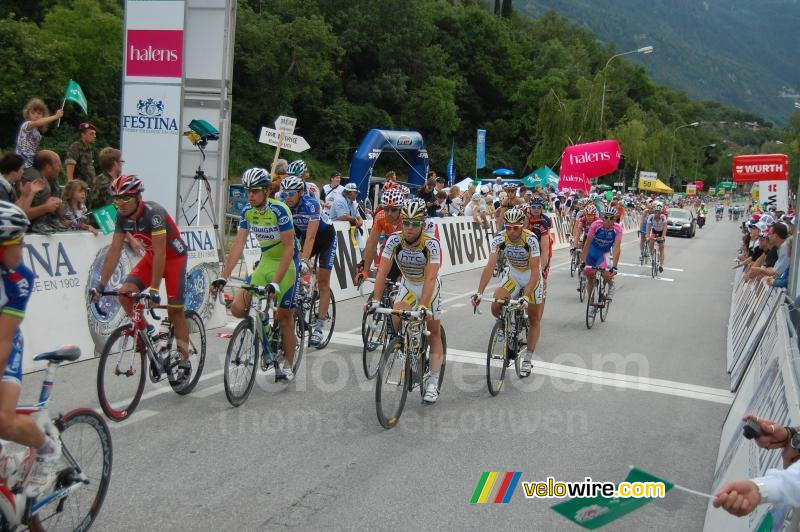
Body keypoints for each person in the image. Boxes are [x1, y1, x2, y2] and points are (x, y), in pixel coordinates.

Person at [91, 175, 192, 380]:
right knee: (124, 294)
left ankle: (184, 360)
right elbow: (114, 251)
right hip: (151, 258)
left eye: (125, 199)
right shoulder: (121, 216)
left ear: (138, 197)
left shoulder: (154, 213)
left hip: (173, 259)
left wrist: (154, 290)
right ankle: (151, 336)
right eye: (116, 199)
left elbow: (161, 252)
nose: (120, 204)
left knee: (175, 311)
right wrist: (100, 285)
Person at [0, 201, 62, 496]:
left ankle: (47, 449)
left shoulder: (19, 278)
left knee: (4, 420)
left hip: (4, 342)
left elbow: (4, 340)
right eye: (18, 241)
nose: (23, 246)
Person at [213, 168, 299, 380]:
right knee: (238, 307)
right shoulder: (247, 212)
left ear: (267, 191)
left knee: (285, 318)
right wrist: (223, 276)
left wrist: (276, 283)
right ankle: (265, 327)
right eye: (247, 191)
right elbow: (238, 245)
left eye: (255, 191)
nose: (250, 195)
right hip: (267, 262)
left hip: (286, 264)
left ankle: (287, 365)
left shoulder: (280, 210)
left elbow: (289, 249)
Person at [367, 198, 444, 403]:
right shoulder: (394, 239)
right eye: (406, 222)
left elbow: (430, 278)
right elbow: (382, 270)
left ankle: (433, 382)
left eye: (415, 223)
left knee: (433, 331)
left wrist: (422, 306)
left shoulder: (431, 244)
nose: (410, 228)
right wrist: (375, 301)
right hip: (409, 284)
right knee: (396, 317)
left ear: (422, 224)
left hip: (429, 286)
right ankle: (404, 348)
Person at [472, 208, 542, 377]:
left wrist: (526, 296)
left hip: (531, 276)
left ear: (522, 225)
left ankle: (528, 359)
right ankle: (505, 329)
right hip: (513, 275)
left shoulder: (531, 239)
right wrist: (479, 292)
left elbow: (534, 272)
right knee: (497, 305)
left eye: (515, 228)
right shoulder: (499, 239)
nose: (511, 231)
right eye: (508, 227)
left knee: (533, 318)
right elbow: (490, 266)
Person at [279, 176, 335, 347]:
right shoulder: (283, 204)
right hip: (304, 237)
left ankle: (319, 327)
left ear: (300, 193)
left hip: (325, 238)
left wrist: (304, 260)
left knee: (323, 281)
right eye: (284, 193)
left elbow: (311, 237)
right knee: (291, 269)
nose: (287, 197)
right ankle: (301, 294)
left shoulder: (311, 204)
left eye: (291, 193)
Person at [356, 187, 404, 285]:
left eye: (394, 210)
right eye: (386, 209)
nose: (389, 213)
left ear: (401, 208)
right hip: (391, 244)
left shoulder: (407, 218)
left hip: (409, 248)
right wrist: (365, 269)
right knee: (379, 275)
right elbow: (372, 243)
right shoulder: (380, 217)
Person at [580, 206, 623, 313]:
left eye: (611, 218)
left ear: (615, 219)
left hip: (603, 253)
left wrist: (614, 266)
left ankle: (611, 285)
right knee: (590, 277)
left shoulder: (618, 229)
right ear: (602, 217)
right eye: (606, 217)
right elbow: (587, 243)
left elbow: (617, 248)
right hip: (592, 252)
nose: (608, 220)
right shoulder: (595, 225)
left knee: (604, 273)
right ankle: (592, 301)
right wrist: (583, 261)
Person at [21, 151, 65, 233]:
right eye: (58, 165)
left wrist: (58, 204)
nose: (60, 169)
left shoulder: (53, 181)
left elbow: (62, 214)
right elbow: (21, 214)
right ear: (48, 167)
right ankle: (40, 222)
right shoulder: (33, 181)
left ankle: (50, 220)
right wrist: (46, 208)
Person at [14, 98, 63, 168]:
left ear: (43, 116)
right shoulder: (26, 125)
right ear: (28, 115)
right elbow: (37, 123)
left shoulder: (38, 134)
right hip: (22, 164)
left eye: (39, 113)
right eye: (33, 113)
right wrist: (56, 116)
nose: (36, 115)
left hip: (30, 164)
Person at [646, 204, 668, 273]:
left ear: (661, 213)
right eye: (656, 212)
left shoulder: (663, 217)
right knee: (651, 242)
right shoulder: (651, 217)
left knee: (661, 248)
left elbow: (665, 228)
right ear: (654, 212)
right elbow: (648, 227)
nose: (657, 214)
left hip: (661, 232)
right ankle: (652, 254)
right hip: (654, 231)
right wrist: (647, 235)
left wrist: (662, 237)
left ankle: (661, 265)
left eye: (659, 212)